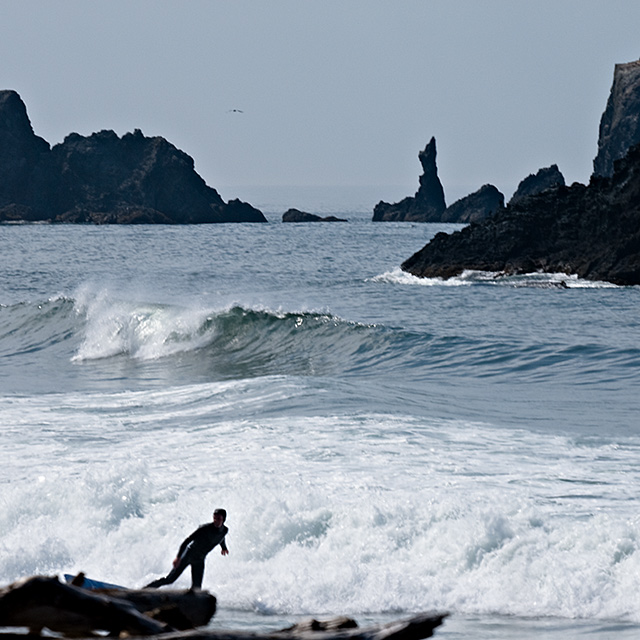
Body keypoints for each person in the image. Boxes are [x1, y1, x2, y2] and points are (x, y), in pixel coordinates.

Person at [144, 508, 229, 590]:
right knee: (170, 580)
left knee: (197, 587)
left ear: (223, 519)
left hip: (200, 559)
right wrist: (178, 557)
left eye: (218, 519)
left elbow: (221, 538)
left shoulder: (224, 530)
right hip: (188, 555)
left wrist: (223, 548)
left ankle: (190, 601)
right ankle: (145, 590)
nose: (216, 521)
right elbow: (187, 541)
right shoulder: (204, 528)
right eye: (214, 518)